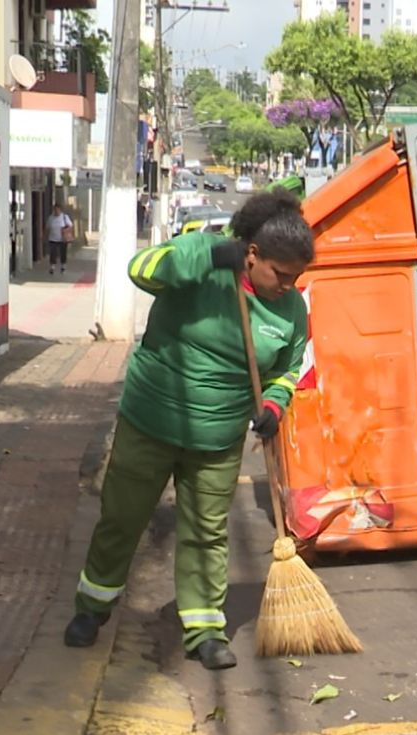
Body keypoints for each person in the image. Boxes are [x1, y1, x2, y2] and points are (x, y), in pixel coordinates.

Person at [63, 190, 315, 670]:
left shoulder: (290, 310)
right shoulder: (202, 261)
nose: (288, 285)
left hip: (218, 438)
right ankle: (91, 610)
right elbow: (142, 269)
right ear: (252, 254)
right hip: (150, 422)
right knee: (122, 518)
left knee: (205, 533)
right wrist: (204, 254)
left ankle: (204, 629)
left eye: (296, 277)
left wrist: (273, 405)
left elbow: (287, 368)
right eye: (280, 274)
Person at [46, 204, 73, 275]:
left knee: (63, 253)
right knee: (53, 253)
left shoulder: (64, 217)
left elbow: (70, 226)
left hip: (62, 239)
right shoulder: (51, 218)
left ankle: (63, 266)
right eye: (55, 210)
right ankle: (52, 267)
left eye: (57, 210)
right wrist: (44, 236)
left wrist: (66, 231)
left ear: (60, 210)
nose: (56, 211)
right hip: (52, 238)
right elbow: (47, 228)